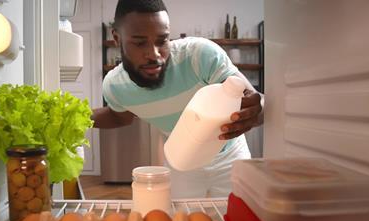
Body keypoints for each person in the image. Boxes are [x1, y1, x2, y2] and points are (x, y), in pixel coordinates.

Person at [92, 0, 263, 198]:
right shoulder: (115, 86)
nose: (154, 55)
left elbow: (254, 100)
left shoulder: (200, 56)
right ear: (116, 38)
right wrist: (74, 118)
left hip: (231, 156)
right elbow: (121, 117)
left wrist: (255, 110)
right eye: (140, 43)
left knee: (238, 220)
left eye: (162, 40)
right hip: (181, 160)